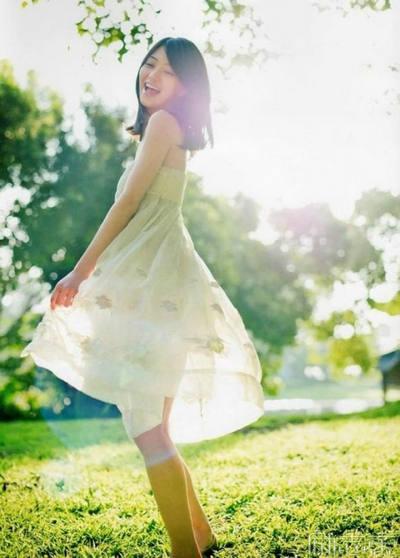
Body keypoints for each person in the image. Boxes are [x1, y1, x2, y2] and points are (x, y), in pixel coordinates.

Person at [21, 36, 265, 558]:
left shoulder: (164, 124)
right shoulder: (164, 129)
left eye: (168, 71)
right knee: (154, 429)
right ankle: (199, 537)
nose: (151, 75)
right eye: (149, 64)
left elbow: (129, 203)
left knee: (149, 431)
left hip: (156, 288)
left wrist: (80, 272)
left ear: (187, 87)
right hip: (159, 283)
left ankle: (184, 551)